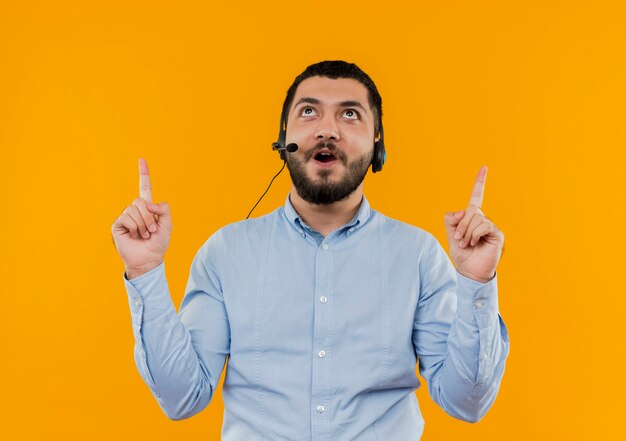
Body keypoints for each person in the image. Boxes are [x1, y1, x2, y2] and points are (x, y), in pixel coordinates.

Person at [112, 60, 509, 440]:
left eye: (350, 114)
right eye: (308, 112)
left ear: (378, 142)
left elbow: (466, 403)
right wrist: (145, 271)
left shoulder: (419, 255)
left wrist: (476, 283)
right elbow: (183, 397)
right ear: (284, 138)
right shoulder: (226, 252)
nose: (327, 130)